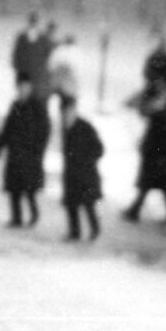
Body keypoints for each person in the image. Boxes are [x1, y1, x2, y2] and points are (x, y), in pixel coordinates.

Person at [124, 56, 166, 224]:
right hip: (157, 143)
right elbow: (140, 107)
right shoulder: (156, 91)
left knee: (164, 180)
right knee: (161, 179)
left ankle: (137, 209)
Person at [0, 74, 51, 229]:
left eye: (25, 86)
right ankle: (16, 218)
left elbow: (45, 130)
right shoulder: (15, 105)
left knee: (30, 189)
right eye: (20, 86)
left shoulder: (37, 106)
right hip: (15, 154)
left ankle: (34, 214)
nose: (22, 89)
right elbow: (7, 128)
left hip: (30, 155)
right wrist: (0, 145)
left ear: (30, 87)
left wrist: (39, 150)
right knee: (14, 188)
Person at [59, 94, 103, 241]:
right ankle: (74, 233)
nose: (67, 114)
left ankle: (95, 230)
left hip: (86, 174)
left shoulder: (85, 127)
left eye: (70, 110)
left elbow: (99, 149)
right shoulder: (65, 128)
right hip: (71, 174)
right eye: (64, 111)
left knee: (88, 204)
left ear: (75, 110)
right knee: (71, 204)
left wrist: (86, 161)